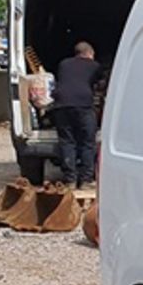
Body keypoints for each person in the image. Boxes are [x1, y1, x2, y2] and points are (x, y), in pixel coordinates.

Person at [50, 41, 106, 187]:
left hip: (61, 105)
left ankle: (70, 180)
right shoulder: (94, 66)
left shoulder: (64, 63)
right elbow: (101, 84)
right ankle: (86, 180)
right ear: (89, 54)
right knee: (87, 142)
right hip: (84, 105)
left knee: (67, 141)